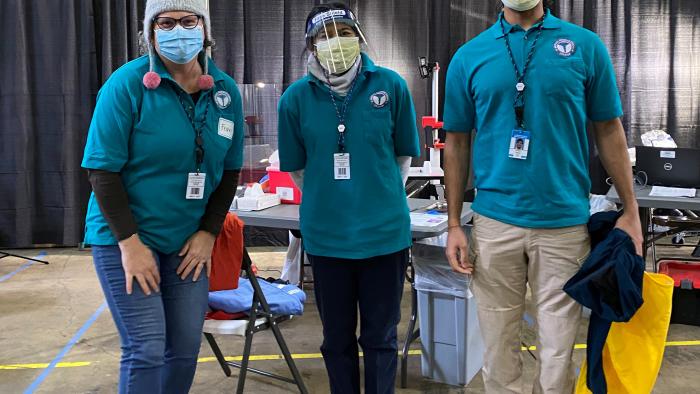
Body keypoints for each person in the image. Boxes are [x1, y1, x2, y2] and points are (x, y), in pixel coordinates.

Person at [442, 0, 643, 393]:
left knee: (558, 351)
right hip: (495, 222)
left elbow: (608, 129)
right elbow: (457, 142)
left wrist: (630, 209)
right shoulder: (470, 56)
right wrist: (453, 224)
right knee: (498, 346)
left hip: (564, 225)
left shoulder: (584, 46)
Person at [81, 0, 244, 392]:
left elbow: (230, 172)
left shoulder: (225, 91)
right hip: (129, 236)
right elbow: (102, 171)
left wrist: (208, 233)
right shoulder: (126, 85)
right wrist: (130, 244)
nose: (178, 30)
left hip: (188, 240)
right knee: (147, 348)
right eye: (166, 23)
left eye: (188, 21)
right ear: (150, 32)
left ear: (204, 30)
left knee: (185, 347)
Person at [277, 3, 420, 393]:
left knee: (380, 338)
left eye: (344, 32)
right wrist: (332, 199)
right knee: (336, 339)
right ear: (311, 45)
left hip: (384, 237)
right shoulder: (294, 99)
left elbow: (402, 156)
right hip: (328, 240)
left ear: (358, 37)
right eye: (325, 35)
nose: (335, 42)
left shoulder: (390, 86)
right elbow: (298, 168)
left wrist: (379, 194)